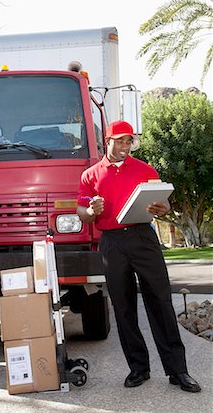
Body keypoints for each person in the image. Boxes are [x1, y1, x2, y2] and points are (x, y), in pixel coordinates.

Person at [76, 120, 201, 393]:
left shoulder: (145, 169)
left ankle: (178, 370)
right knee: (123, 307)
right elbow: (81, 211)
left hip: (144, 238)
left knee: (161, 302)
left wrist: (162, 208)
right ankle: (138, 368)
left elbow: (163, 204)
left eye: (129, 141)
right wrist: (91, 210)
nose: (125, 146)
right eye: (120, 140)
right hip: (112, 242)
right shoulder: (90, 175)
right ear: (107, 141)